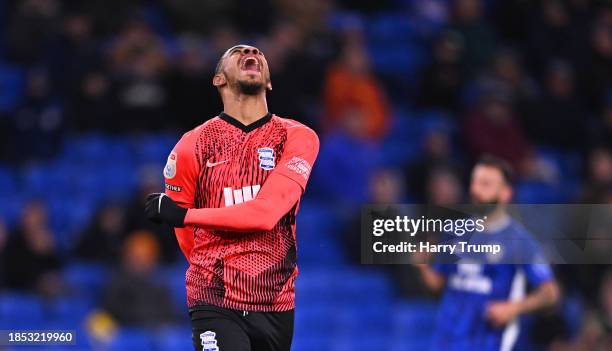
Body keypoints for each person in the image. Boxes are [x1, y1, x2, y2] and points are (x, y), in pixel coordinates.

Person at [145, 45, 319, 351]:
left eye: (257, 53)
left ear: (268, 82)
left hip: (276, 301)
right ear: (218, 79)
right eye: (237, 52)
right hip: (214, 297)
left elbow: (267, 213)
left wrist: (185, 215)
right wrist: (217, 271)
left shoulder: (298, 137)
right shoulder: (191, 146)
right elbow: (188, 242)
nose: (251, 51)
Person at [417, 156, 560, 350]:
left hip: (489, 342)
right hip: (446, 341)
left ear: (505, 193)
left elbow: (550, 293)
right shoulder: (454, 232)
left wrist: (513, 308)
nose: (476, 190)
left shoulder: (520, 242)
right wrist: (423, 264)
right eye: (475, 182)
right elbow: (438, 284)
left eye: (486, 184)